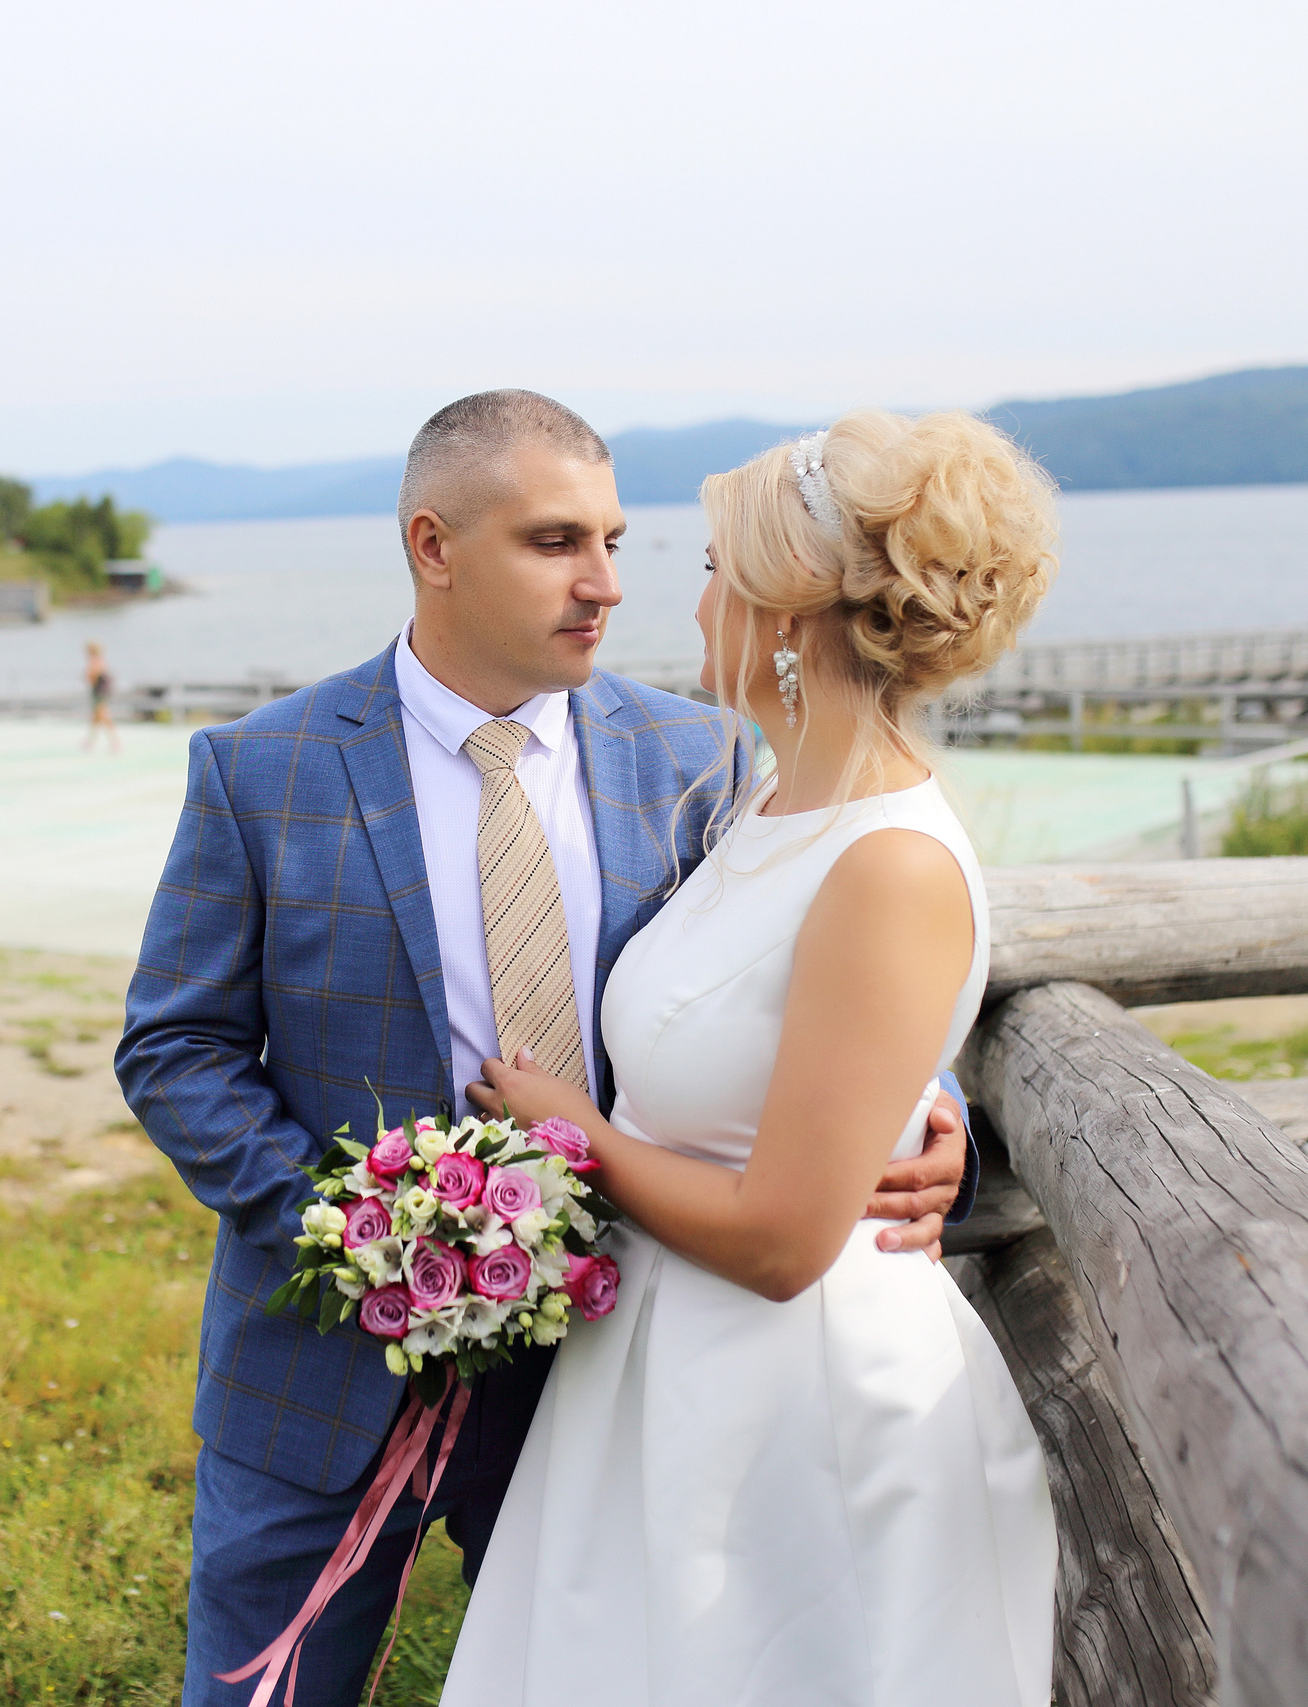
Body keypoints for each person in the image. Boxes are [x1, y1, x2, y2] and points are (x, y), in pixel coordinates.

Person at [115, 391, 976, 1707]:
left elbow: (797, 954)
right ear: (434, 544)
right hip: (321, 1370)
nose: (606, 583)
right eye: (556, 541)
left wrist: (931, 1104)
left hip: (611, 1355)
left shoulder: (699, 756)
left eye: (614, 541)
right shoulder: (262, 768)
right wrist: (354, 1233)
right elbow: (177, 1044)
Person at [444, 412, 1061, 1706]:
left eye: (716, 568)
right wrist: (917, 1099)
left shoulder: (891, 862)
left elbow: (784, 1241)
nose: (686, 598)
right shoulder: (764, 799)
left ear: (786, 612)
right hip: (666, 1374)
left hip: (800, 1412)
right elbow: (785, 1034)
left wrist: (574, 1130)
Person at [83, 639, 121, 753]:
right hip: (101, 691)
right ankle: (91, 741)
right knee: (96, 718)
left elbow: (93, 676)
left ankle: (114, 742)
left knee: (103, 717)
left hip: (99, 692)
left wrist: (88, 676)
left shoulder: (95, 661)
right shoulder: (100, 660)